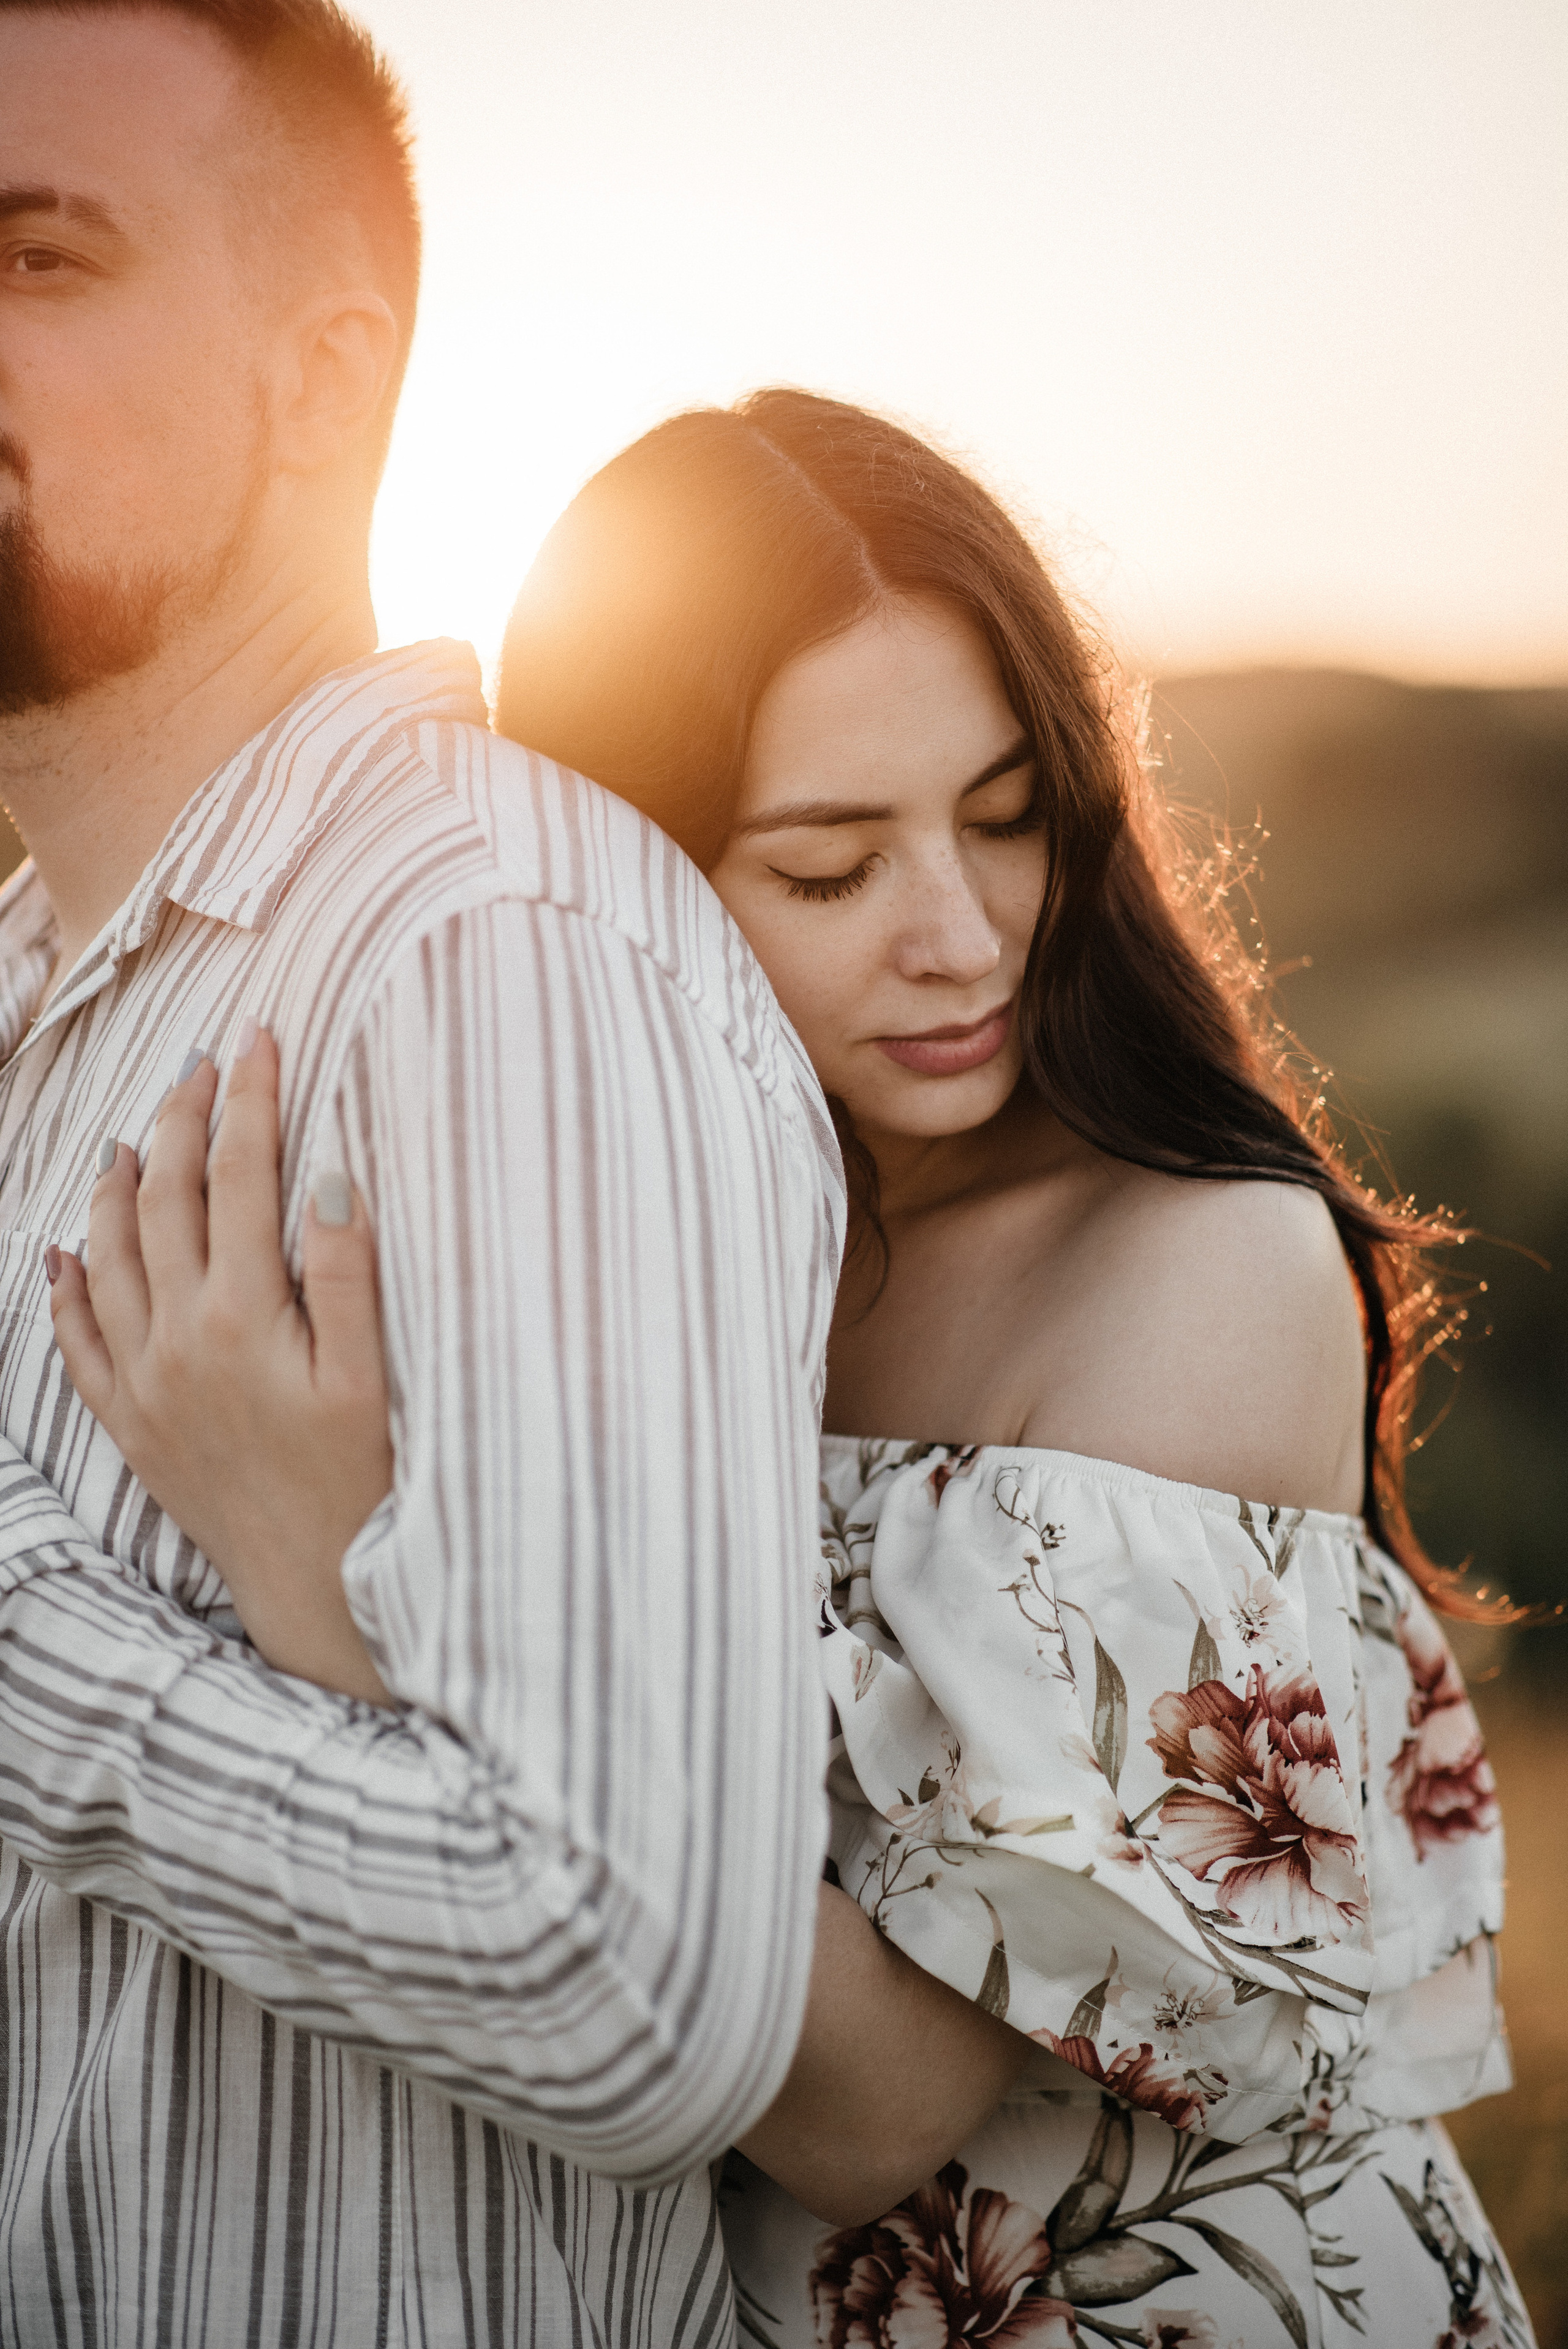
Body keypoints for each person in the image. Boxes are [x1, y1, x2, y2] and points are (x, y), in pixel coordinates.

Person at [51, 391, 1535, 2347]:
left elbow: (873, 2114)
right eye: (829, 867)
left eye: (1006, 818)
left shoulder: (1195, 1266)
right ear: (631, 878)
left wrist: (331, 1583)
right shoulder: (656, 1242)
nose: (959, 935)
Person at [0, 8, 1014, 2338]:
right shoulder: (58, 982)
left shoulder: (495, 953)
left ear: (323, 374)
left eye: (40, 255)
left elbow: (634, 1977)